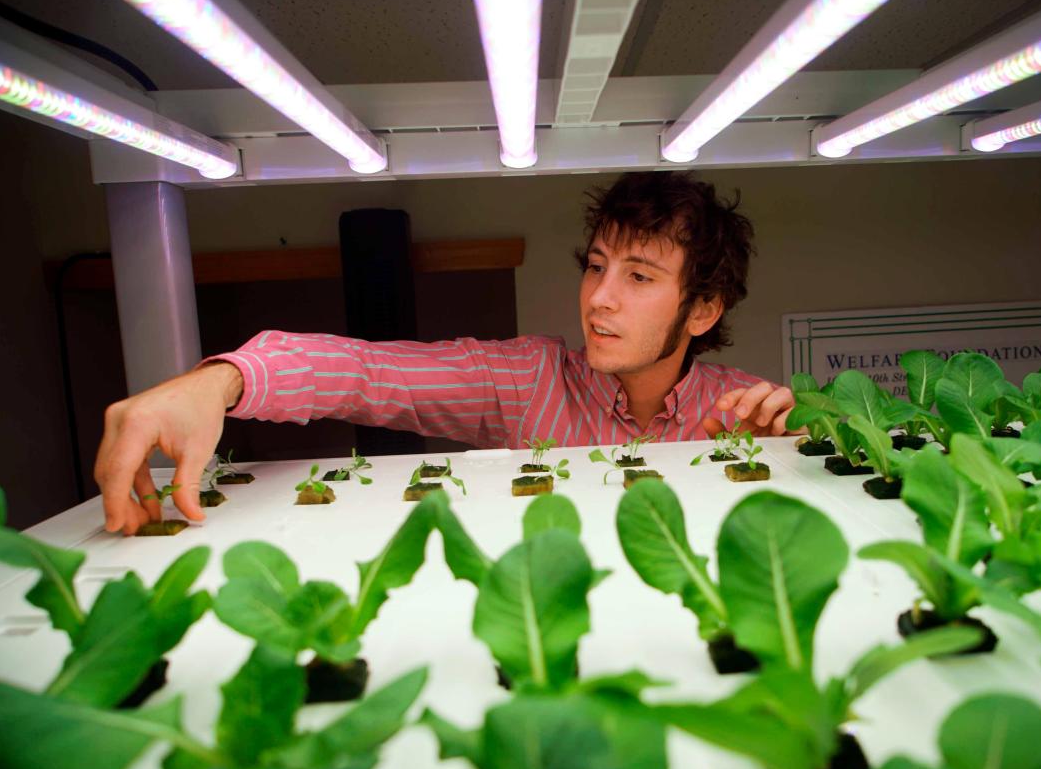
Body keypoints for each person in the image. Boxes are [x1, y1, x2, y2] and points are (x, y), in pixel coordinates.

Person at [95, 171, 795, 535]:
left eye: (638, 277)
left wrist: (785, 458)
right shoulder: (526, 380)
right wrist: (218, 381)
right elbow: (369, 374)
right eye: (596, 265)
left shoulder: (737, 410)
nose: (599, 298)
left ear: (703, 309)